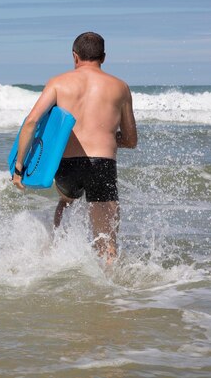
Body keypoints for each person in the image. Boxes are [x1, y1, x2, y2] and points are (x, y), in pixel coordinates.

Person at [12, 32, 137, 261]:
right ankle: (112, 289)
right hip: (103, 165)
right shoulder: (120, 87)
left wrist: (19, 167)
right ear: (104, 57)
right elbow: (131, 140)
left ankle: (59, 252)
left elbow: (31, 122)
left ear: (74, 56)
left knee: (66, 201)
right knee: (108, 244)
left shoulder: (59, 83)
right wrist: (107, 136)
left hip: (67, 165)